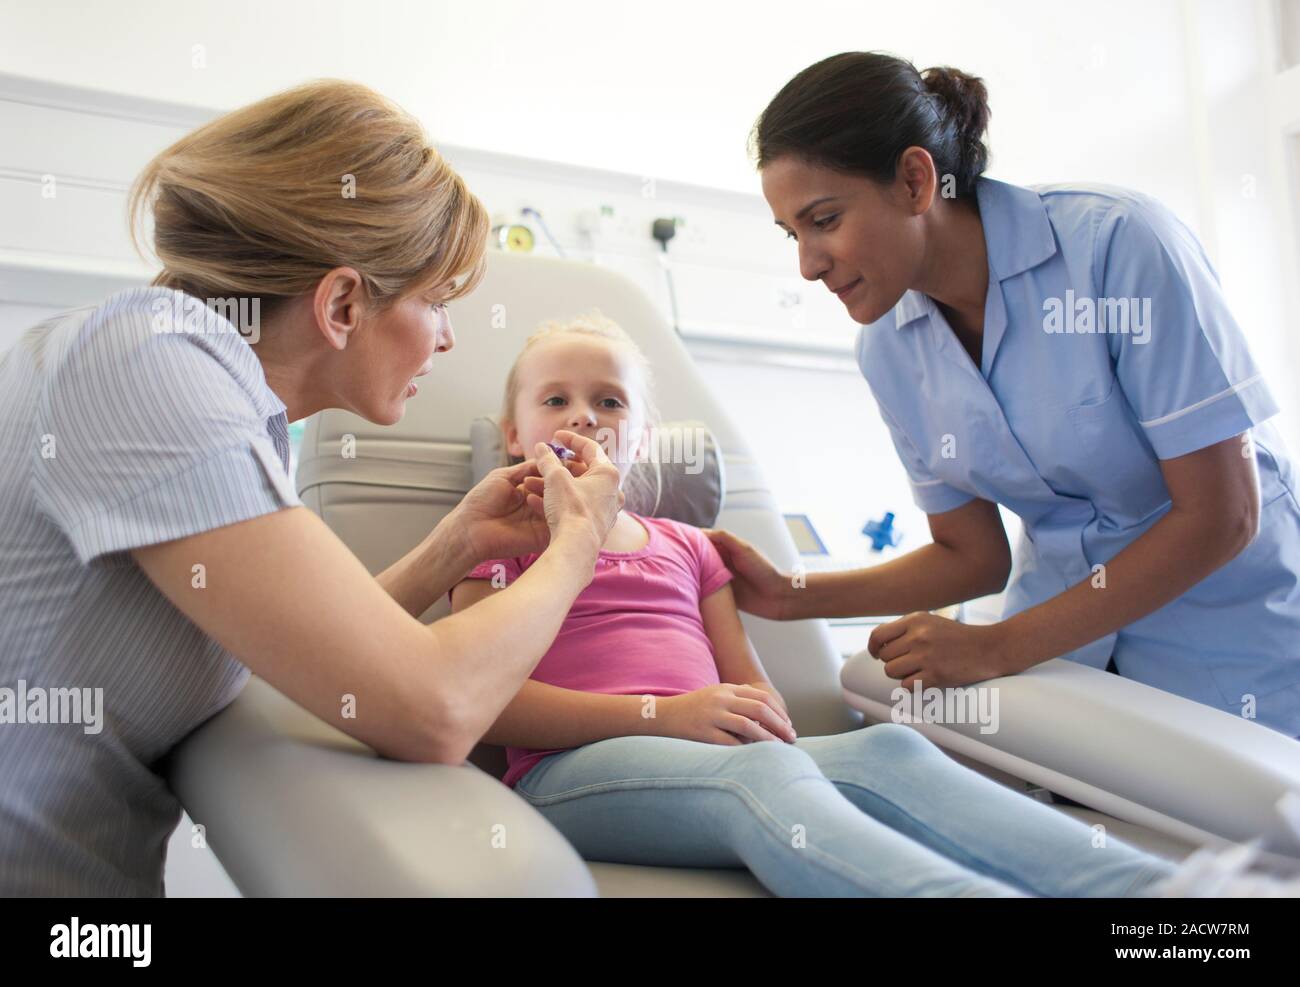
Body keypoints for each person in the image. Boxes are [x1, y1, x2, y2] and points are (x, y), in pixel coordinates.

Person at [0, 80, 622, 896]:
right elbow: (433, 707)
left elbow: (301, 647)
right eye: (436, 300)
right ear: (340, 304)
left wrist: (456, 547)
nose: (448, 335)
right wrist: (580, 544)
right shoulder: (149, 365)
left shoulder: (201, 385)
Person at [448, 311, 1296, 897]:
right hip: (572, 774)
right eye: (555, 399)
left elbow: (757, 702)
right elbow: (484, 708)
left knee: (891, 749)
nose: (585, 417)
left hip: (721, 748)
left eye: (610, 401)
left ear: (642, 436)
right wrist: (661, 715)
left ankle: (1179, 905)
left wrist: (748, 719)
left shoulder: (688, 548)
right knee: (762, 773)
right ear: (514, 432)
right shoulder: (498, 545)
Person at [706, 51, 1300, 739]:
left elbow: (1223, 514)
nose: (807, 264)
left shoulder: (1116, 246)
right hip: (1066, 660)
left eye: (825, 220)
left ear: (914, 180)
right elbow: (973, 554)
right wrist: (787, 595)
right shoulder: (890, 347)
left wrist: (997, 646)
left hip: (1236, 650)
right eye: (793, 234)